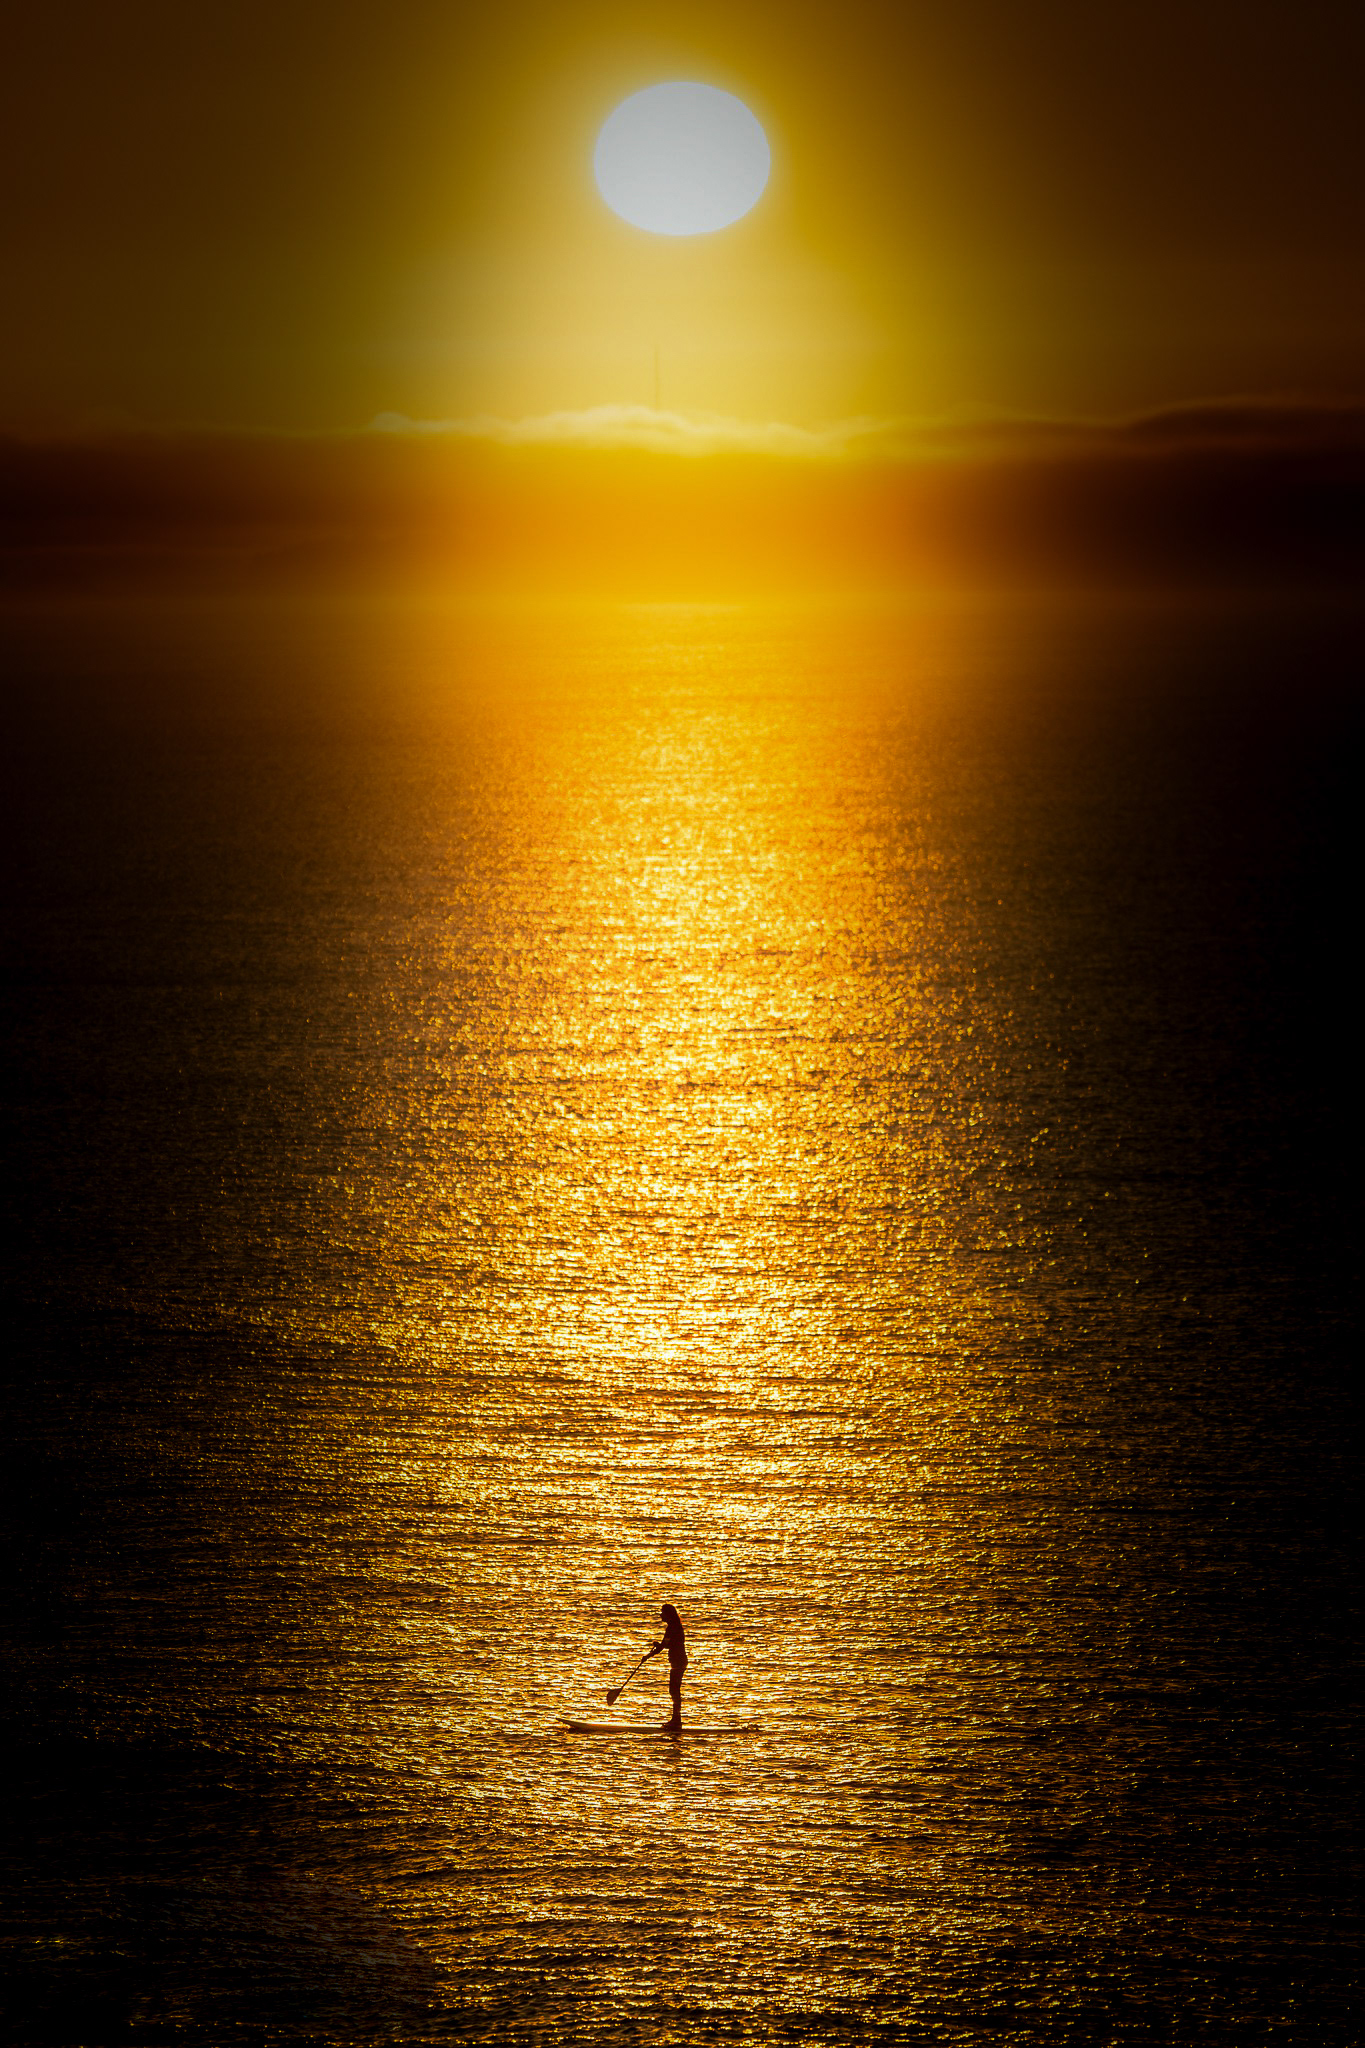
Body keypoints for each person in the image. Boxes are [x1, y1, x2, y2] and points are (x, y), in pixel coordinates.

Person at [648, 1602, 687, 1731]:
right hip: (678, 1661)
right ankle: (676, 1719)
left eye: (662, 1612)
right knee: (674, 1691)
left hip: (678, 1662)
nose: (660, 1615)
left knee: (674, 1691)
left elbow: (664, 1646)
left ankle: (677, 1721)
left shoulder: (672, 1627)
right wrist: (656, 1648)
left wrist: (650, 1654)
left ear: (668, 1615)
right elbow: (667, 1644)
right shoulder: (674, 1626)